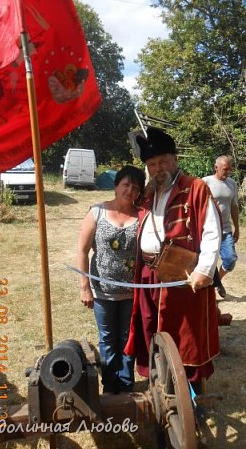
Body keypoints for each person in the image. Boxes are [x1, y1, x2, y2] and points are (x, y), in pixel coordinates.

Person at [125, 128, 222, 393]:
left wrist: (205, 270)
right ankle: (159, 380)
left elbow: (213, 230)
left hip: (183, 276)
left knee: (185, 335)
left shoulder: (196, 187)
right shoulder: (148, 193)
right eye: (152, 164)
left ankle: (188, 396)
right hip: (148, 273)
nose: (158, 169)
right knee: (150, 327)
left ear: (175, 159)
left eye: (163, 162)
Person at [77, 165, 145, 394]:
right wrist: (85, 287)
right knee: (107, 340)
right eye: (126, 184)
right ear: (116, 186)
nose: (130, 190)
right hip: (102, 291)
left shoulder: (142, 216)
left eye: (135, 187)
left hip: (132, 293)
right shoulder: (96, 212)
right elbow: (82, 250)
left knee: (127, 339)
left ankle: (126, 385)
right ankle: (109, 386)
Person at [203, 156, 239, 298]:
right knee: (208, 261)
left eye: (229, 170)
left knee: (230, 260)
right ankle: (214, 286)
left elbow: (234, 206)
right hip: (208, 231)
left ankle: (218, 280)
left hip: (226, 230)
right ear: (216, 167)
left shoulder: (232, 184)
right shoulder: (205, 182)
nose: (227, 172)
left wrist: (237, 227)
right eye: (225, 169)